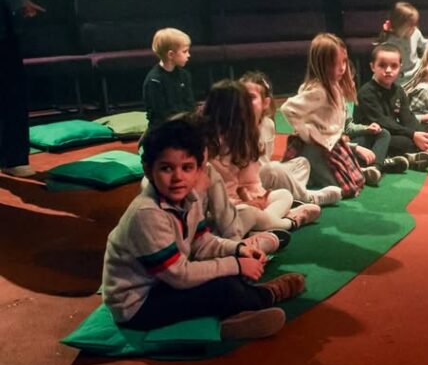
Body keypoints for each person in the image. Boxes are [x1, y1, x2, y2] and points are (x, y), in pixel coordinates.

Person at [100, 117, 306, 339]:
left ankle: (233, 319)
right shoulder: (147, 213)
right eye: (167, 168)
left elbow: (202, 242)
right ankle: (266, 295)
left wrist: (238, 250)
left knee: (226, 275)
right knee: (224, 287)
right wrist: (236, 264)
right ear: (149, 170)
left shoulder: (189, 197)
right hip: (138, 303)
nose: (178, 177)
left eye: (187, 167)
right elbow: (179, 275)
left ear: (199, 168)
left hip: (162, 282)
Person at [203, 80, 321, 234]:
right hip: (223, 209)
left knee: (283, 195)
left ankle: (261, 225)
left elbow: (251, 182)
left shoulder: (245, 137)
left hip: (247, 202)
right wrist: (244, 205)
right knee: (247, 214)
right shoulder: (204, 142)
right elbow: (210, 199)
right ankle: (289, 222)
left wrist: (256, 200)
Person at [355, 43, 428, 163]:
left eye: (394, 66)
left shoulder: (398, 90)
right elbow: (383, 122)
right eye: (382, 65)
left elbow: (408, 118)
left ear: (400, 67)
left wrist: (421, 135)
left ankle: (426, 147)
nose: (388, 70)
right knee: (402, 141)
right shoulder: (366, 92)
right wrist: (413, 135)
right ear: (372, 66)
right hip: (375, 135)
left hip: (395, 129)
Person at [280, 33, 368, 196]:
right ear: (322, 65)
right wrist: (306, 135)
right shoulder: (319, 91)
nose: (342, 68)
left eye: (344, 61)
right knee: (345, 190)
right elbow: (289, 109)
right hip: (316, 147)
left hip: (330, 143)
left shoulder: (333, 85)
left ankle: (317, 174)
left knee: (354, 181)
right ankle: (310, 174)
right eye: (336, 63)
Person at [240, 71, 345, 206]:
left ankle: (289, 190)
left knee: (302, 163)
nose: (243, 102)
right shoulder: (236, 128)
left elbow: (265, 159)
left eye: (250, 98)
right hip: (249, 183)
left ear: (265, 103)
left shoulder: (268, 125)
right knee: (273, 169)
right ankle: (309, 197)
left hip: (265, 178)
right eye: (240, 97)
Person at [0, 0, 44, 178]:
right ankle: (13, 156)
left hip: (5, 29)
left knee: (11, 91)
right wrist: (19, 0)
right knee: (11, 91)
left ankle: (11, 155)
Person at [143, 28, 195, 132]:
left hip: (182, 125)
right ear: (170, 54)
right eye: (185, 51)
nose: (188, 55)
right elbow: (159, 115)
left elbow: (189, 104)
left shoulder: (184, 75)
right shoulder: (154, 80)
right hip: (163, 130)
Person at [378, 1, 428, 87]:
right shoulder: (390, 41)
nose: (414, 27)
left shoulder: (416, 32)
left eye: (415, 24)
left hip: (416, 73)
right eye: (411, 25)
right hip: (399, 79)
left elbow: (425, 45)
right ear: (399, 25)